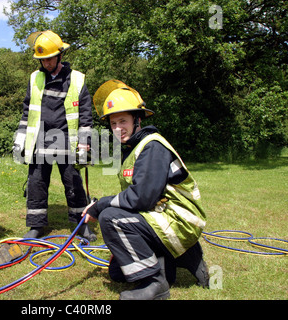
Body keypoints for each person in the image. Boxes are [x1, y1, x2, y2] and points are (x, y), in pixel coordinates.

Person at [82, 80, 209, 300]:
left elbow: (142, 198)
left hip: (178, 220)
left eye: (123, 121)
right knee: (117, 273)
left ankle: (155, 283)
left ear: (137, 119)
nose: (117, 128)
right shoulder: (135, 147)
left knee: (111, 217)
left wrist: (100, 205)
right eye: (113, 123)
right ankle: (183, 258)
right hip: (164, 218)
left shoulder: (152, 146)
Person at [13, 30, 96, 241]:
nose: (46, 63)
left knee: (74, 184)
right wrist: (21, 137)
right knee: (36, 184)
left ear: (60, 55)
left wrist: (85, 145)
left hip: (68, 140)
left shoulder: (76, 79)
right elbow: (27, 111)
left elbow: (86, 116)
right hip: (40, 140)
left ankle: (81, 225)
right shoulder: (34, 78)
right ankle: (36, 226)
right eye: (42, 60)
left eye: (49, 58)